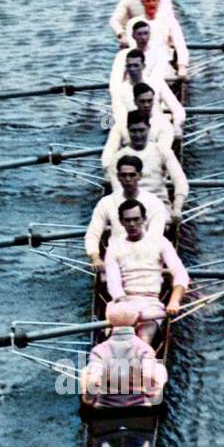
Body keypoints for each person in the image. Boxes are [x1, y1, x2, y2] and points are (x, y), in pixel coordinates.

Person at [104, 198, 189, 344]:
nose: (132, 224)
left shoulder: (160, 242)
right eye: (127, 220)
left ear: (144, 219)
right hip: (122, 303)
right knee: (120, 342)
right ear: (121, 222)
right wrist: (129, 311)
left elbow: (181, 274)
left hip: (151, 304)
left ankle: (141, 359)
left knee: (143, 339)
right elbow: (114, 286)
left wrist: (174, 301)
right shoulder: (113, 247)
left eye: (136, 219)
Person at [84, 156, 168, 268]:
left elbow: (154, 238)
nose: (128, 179)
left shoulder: (154, 203)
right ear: (118, 177)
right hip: (116, 260)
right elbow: (92, 234)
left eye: (132, 175)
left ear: (140, 176)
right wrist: (96, 258)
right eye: (123, 175)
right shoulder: (106, 202)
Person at [80, 302, 168, 408]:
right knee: (159, 368)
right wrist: (151, 395)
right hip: (140, 407)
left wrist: (88, 400)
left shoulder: (98, 350)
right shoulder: (145, 349)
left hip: (105, 407)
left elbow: (93, 382)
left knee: (86, 371)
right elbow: (149, 377)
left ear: (110, 323)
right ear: (136, 323)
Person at [103, 110, 188, 214]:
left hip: (159, 206)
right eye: (133, 131)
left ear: (149, 128)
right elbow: (118, 191)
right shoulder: (117, 158)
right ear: (127, 130)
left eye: (142, 130)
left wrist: (177, 208)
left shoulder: (162, 151)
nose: (138, 135)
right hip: (129, 209)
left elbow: (180, 181)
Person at [109, 48, 185, 133]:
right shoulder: (119, 90)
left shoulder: (157, 82)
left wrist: (177, 126)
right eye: (129, 66)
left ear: (143, 66)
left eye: (136, 65)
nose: (132, 69)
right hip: (133, 133)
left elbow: (178, 110)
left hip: (157, 129)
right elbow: (120, 118)